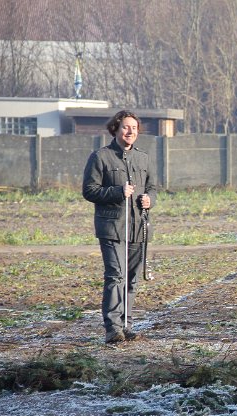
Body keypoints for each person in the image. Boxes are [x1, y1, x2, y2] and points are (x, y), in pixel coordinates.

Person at [83, 110, 156, 344]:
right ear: (115, 128)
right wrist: (116, 192)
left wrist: (149, 199)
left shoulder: (143, 158)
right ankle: (113, 328)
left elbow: (152, 187)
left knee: (132, 279)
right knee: (116, 276)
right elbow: (89, 190)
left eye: (134, 128)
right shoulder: (100, 157)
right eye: (126, 127)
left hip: (138, 228)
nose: (130, 132)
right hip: (112, 228)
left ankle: (127, 325)